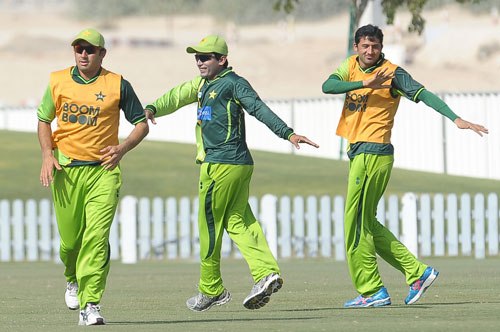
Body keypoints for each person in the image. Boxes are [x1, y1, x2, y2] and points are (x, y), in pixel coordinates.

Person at [144, 35, 318, 312]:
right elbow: (176, 96)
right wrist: (153, 108)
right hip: (234, 164)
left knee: (209, 227)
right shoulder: (203, 84)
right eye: (197, 57)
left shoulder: (234, 83)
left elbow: (258, 108)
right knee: (238, 220)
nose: (200, 61)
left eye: (206, 57)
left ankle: (210, 289)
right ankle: (266, 273)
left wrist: (288, 133)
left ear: (222, 59)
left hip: (222, 164)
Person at [322, 24, 488, 308]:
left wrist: (455, 118)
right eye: (365, 46)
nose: (370, 51)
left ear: (381, 47)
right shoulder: (350, 66)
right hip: (359, 154)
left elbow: (423, 93)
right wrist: (365, 83)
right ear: (356, 48)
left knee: (355, 226)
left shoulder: (392, 73)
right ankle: (417, 272)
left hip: (373, 154)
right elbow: (328, 86)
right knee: (368, 224)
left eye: (374, 46)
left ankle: (373, 291)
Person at [37, 28, 149, 325]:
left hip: (104, 171)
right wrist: (48, 155)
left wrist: (122, 148)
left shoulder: (117, 84)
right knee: (71, 243)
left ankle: (91, 304)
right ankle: (72, 278)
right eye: (79, 49)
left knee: (96, 238)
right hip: (66, 170)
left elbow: (140, 123)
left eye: (90, 50)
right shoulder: (57, 80)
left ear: (102, 53)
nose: (83, 54)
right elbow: (43, 119)